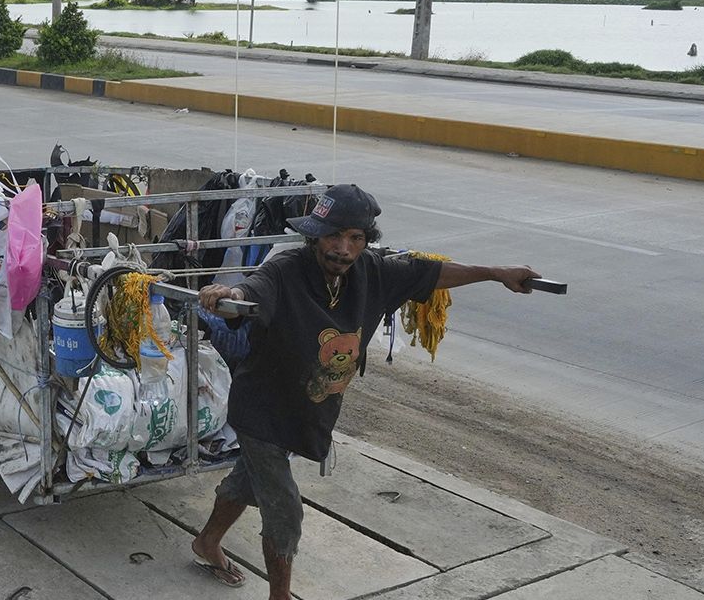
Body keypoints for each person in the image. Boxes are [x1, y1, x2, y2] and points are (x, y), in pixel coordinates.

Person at [190, 183, 539, 596]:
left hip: (304, 411)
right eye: (333, 237)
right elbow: (252, 289)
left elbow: (431, 272)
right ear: (314, 235)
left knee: (248, 482)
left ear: (366, 240)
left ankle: (207, 541)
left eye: (355, 238)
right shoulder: (286, 270)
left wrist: (497, 274)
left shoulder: (373, 272)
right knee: (284, 509)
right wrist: (228, 293)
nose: (343, 248)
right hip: (261, 410)